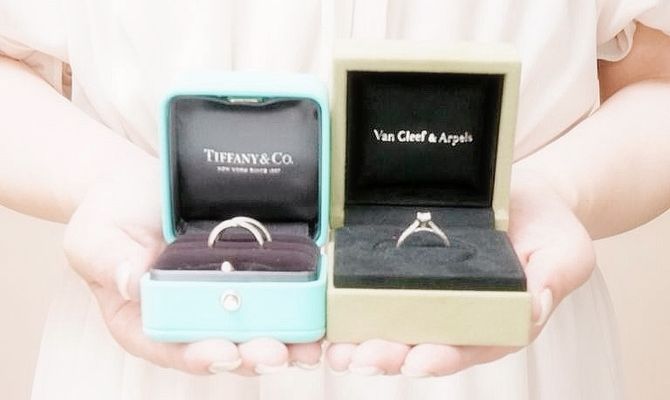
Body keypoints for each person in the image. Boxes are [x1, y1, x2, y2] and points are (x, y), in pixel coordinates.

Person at [1, 1, 669, 399]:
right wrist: (103, 183)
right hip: (148, 350)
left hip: (512, 351)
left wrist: (559, 191)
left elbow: (656, 78)